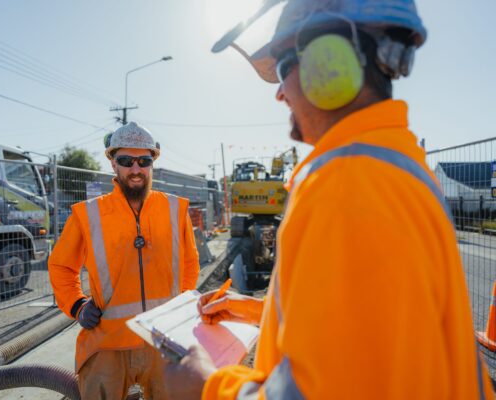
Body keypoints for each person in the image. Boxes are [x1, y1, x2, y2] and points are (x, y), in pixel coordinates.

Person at [164, 0, 494, 398]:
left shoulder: (345, 185)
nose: (280, 95)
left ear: (329, 60)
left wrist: (205, 387)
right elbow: (377, 331)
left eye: (284, 67)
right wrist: (257, 310)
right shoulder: (401, 168)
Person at [49, 121, 200, 400]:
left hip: (163, 341)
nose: (135, 168)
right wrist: (77, 304)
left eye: (143, 160)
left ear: (152, 163)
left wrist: (181, 305)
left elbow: (190, 262)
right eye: (126, 160)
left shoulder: (175, 209)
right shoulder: (89, 214)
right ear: (113, 164)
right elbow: (61, 265)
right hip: (108, 342)